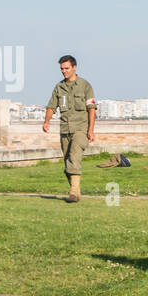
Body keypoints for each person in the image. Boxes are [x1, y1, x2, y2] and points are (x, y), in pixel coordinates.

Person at [43, 55, 96, 203]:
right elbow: (52, 106)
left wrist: (91, 130)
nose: (64, 71)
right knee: (68, 163)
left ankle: (73, 192)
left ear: (74, 67)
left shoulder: (85, 85)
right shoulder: (59, 87)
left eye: (66, 68)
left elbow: (92, 109)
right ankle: (76, 193)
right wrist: (46, 121)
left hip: (81, 129)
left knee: (74, 157)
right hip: (65, 129)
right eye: (61, 69)